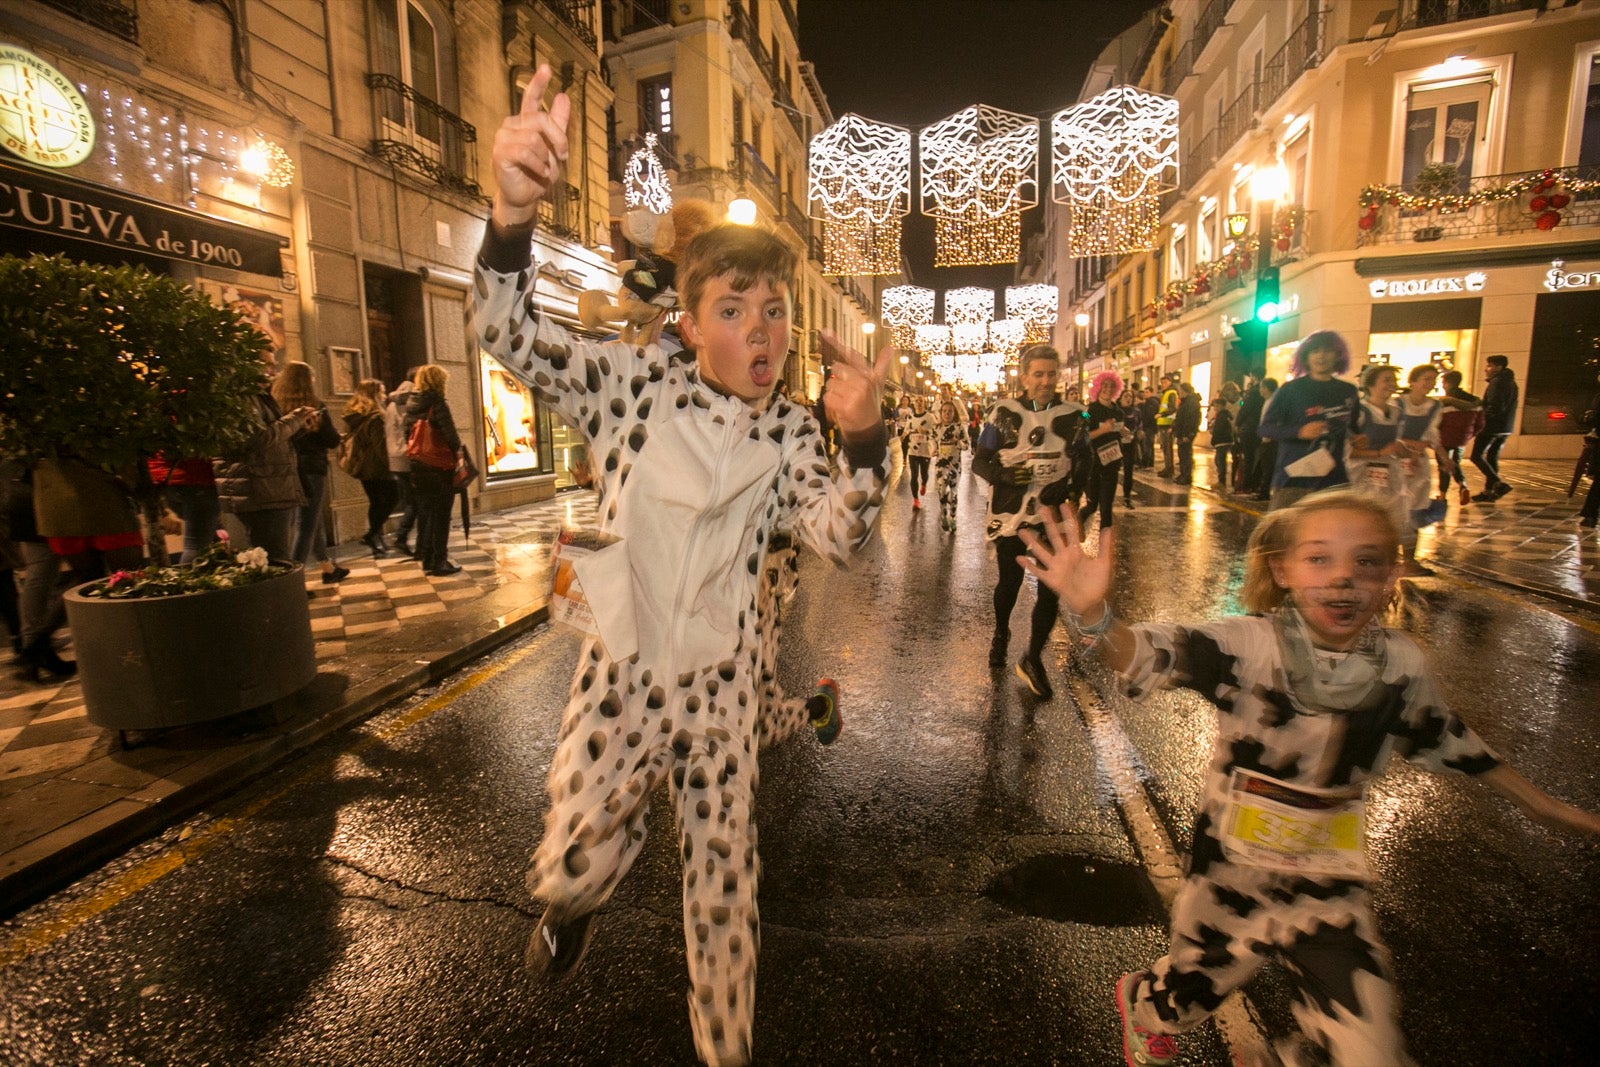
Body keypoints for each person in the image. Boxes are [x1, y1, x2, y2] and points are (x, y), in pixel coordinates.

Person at [476, 63, 891, 1067]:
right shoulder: (628, 388)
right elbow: (504, 331)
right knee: (566, 866)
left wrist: (867, 445)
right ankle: (578, 899)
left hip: (717, 691)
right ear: (695, 321)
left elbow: (842, 535)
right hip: (617, 672)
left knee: (723, 888)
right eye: (737, 306)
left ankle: (724, 1047)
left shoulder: (792, 434)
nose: (764, 326)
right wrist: (509, 211)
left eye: (776, 308)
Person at [1016, 491, 1600, 1067]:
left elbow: (1452, 742)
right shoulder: (1249, 646)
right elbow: (1148, 653)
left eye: (1367, 561)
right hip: (1231, 878)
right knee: (1184, 997)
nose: (1343, 578)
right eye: (1320, 558)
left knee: (1371, 1048)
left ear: (1393, 572)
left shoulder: (1401, 666)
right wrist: (1096, 615)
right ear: (1283, 569)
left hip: (1328, 887)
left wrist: (1553, 810)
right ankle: (1142, 1003)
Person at [973, 343, 1083, 699]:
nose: (1046, 381)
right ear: (1024, 377)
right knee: (1010, 583)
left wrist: (1069, 489)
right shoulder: (1003, 412)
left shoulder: (1075, 415)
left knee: (1053, 588)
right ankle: (1001, 632)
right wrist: (1006, 478)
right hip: (1012, 515)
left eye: (1052, 374)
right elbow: (980, 461)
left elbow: (1087, 462)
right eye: (1038, 374)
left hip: (1051, 518)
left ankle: (1033, 657)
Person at [1349, 364, 1445, 577]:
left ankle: (1407, 562)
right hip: (1364, 473)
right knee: (1367, 519)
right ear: (1370, 384)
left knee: (1402, 515)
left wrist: (1408, 455)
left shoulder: (1396, 412)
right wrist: (1380, 452)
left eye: (1393, 381)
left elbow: (1398, 442)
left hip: (1390, 471)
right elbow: (1348, 450)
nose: (1391, 385)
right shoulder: (1361, 412)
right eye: (1386, 380)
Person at [216, 355, 314, 562]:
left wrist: (299, 427)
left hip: (268, 484)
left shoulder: (258, 395)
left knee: (272, 555)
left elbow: (273, 437)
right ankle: (282, 595)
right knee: (275, 557)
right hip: (260, 487)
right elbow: (257, 439)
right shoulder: (243, 396)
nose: (272, 371)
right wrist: (295, 418)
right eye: (266, 364)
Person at [1258, 331, 1360, 511]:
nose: (1321, 356)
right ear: (1305, 357)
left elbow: (1353, 427)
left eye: (1328, 351)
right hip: (1295, 480)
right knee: (1283, 536)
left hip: (1334, 480)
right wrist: (1299, 431)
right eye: (1315, 351)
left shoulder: (1348, 391)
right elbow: (1265, 428)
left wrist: (1357, 438)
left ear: (1338, 355)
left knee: (1332, 536)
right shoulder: (1291, 390)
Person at [273, 361, 349, 585]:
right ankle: (293, 583)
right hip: (312, 469)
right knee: (305, 525)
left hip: (287, 468)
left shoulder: (276, 404)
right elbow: (330, 439)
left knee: (310, 520)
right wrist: (338, 437)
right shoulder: (314, 406)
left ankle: (327, 567)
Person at [402, 364, 464, 577]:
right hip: (438, 467)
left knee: (426, 513)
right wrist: (459, 455)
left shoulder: (411, 403)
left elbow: (407, 435)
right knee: (442, 515)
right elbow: (451, 436)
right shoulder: (437, 404)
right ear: (438, 382)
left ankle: (427, 558)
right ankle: (439, 560)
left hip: (418, 465)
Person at [342, 379, 398, 558]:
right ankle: (372, 534)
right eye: (381, 392)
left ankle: (374, 536)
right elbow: (380, 445)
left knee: (376, 501)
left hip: (362, 466)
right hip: (378, 467)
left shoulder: (355, 415)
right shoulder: (375, 417)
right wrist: (392, 467)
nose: (384, 395)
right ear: (374, 394)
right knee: (393, 497)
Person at [147, 454, 220, 564]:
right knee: (196, 548)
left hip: (163, 480)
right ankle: (192, 580)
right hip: (195, 478)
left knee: (206, 542)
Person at [1077, 371, 1125, 534]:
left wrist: (1126, 434)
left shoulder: (1119, 412)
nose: (1108, 389)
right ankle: (1078, 522)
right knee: (1092, 505)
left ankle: (1105, 547)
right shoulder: (1087, 410)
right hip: (1092, 465)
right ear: (1097, 388)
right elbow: (1081, 437)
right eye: (1104, 385)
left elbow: (1120, 435)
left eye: (1112, 386)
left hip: (1112, 464)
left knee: (1106, 508)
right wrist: (1102, 430)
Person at [385, 368, 424, 556]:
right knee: (416, 502)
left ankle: (403, 537)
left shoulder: (391, 403)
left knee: (410, 500)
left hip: (394, 457)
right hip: (409, 456)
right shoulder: (412, 401)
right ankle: (402, 537)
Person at [1470, 354, 1518, 501]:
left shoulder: (1497, 383)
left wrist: (1483, 419)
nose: (1486, 369)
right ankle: (1489, 492)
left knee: (1476, 456)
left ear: (1499, 367)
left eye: (1490, 366)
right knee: (1491, 457)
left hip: (1492, 426)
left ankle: (1498, 483)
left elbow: (1495, 407)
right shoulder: (1511, 382)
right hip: (1505, 427)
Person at [1435, 369, 1482, 508]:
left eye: (1443, 383)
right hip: (1462, 439)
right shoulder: (1475, 401)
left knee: (1444, 465)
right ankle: (1463, 486)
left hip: (1444, 438)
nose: (1443, 386)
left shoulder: (1445, 402)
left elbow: (1437, 422)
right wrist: (1469, 435)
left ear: (1448, 384)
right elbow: (1480, 423)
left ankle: (1443, 496)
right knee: (1455, 462)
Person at [933, 395, 969, 534]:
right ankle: (943, 516)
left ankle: (953, 517)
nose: (947, 414)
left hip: (955, 466)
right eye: (945, 411)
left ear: (954, 413)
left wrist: (958, 442)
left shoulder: (958, 428)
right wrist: (933, 449)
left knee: (953, 493)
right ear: (941, 413)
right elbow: (932, 442)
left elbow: (966, 446)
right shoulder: (937, 428)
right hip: (940, 466)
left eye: (950, 411)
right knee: (942, 490)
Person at [903, 394, 935, 509]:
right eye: (917, 401)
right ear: (914, 403)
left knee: (924, 474)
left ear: (924, 403)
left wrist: (926, 431)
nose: (919, 403)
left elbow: (935, 431)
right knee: (914, 475)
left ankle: (924, 484)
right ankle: (916, 500)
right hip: (913, 451)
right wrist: (903, 435)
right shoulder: (910, 417)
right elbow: (907, 430)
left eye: (921, 401)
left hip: (925, 450)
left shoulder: (930, 417)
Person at [1234, 375, 1264, 496]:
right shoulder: (1265, 397)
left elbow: (1244, 410)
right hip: (1260, 430)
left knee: (1249, 458)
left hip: (1250, 430)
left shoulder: (1253, 394)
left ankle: (1247, 485)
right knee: (1258, 458)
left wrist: (1237, 424)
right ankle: (1255, 484)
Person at [1250, 378, 1279, 502]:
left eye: (1262, 387)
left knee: (1268, 468)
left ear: (1267, 388)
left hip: (1270, 440)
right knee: (1265, 466)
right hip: (1266, 438)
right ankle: (1263, 490)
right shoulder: (1267, 401)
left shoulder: (1273, 402)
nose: (1260, 390)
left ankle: (1265, 493)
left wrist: (1267, 437)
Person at [1207, 383, 1238, 491]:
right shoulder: (1224, 415)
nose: (1214, 408)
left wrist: (1214, 440)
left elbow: (1219, 430)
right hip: (1225, 441)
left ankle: (1222, 482)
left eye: (1215, 406)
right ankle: (1221, 481)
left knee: (1220, 461)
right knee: (1219, 461)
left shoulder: (1222, 416)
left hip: (1222, 441)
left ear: (1220, 406)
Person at [1117, 387, 1142, 508]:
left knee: (1128, 470)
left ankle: (1127, 497)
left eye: (1130, 397)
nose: (1128, 399)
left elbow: (1140, 424)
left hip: (1130, 444)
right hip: (1116, 444)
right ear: (1120, 398)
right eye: (1125, 396)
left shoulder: (1136, 411)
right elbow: (1087, 414)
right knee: (1112, 471)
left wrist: (1139, 432)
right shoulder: (1116, 410)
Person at [1172, 382, 1201, 486]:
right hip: (1182, 432)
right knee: (1182, 454)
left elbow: (1191, 420)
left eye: (1180, 391)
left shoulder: (1191, 403)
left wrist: (1188, 435)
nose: (1179, 393)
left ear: (1185, 391)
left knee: (1185, 455)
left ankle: (1186, 476)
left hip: (1186, 433)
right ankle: (1183, 474)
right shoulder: (1186, 402)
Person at [1155, 373, 1179, 478]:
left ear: (1170, 382)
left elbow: (1173, 408)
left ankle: (1169, 469)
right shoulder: (1166, 393)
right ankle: (1168, 468)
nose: (1163, 384)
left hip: (1167, 424)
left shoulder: (1171, 393)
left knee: (1167, 448)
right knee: (1165, 448)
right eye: (1162, 382)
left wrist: (1161, 414)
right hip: (1163, 424)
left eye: (1165, 382)